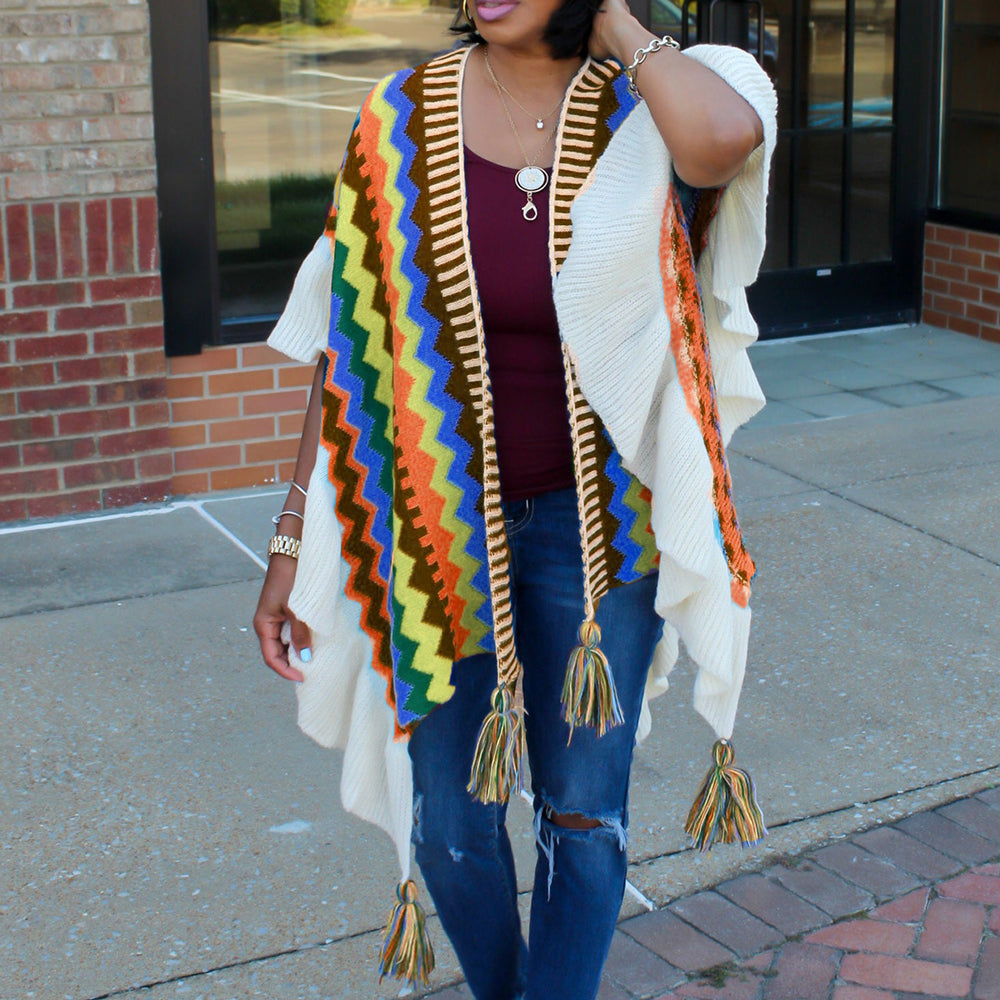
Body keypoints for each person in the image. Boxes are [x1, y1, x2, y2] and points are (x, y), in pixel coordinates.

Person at [253, 0, 776, 996]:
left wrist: (617, 24)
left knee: (582, 813)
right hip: (430, 530)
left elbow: (721, 144)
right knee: (450, 823)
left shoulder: (647, 106)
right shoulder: (396, 117)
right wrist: (290, 539)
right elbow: (346, 349)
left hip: (600, 535)